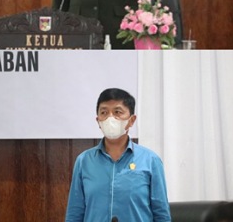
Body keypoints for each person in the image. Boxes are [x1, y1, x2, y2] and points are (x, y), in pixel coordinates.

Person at [65, 88, 171, 222]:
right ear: (98, 121)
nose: (110, 118)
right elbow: (75, 213)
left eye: (117, 112)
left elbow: (161, 214)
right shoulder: (84, 161)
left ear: (132, 120)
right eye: (104, 112)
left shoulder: (150, 160)